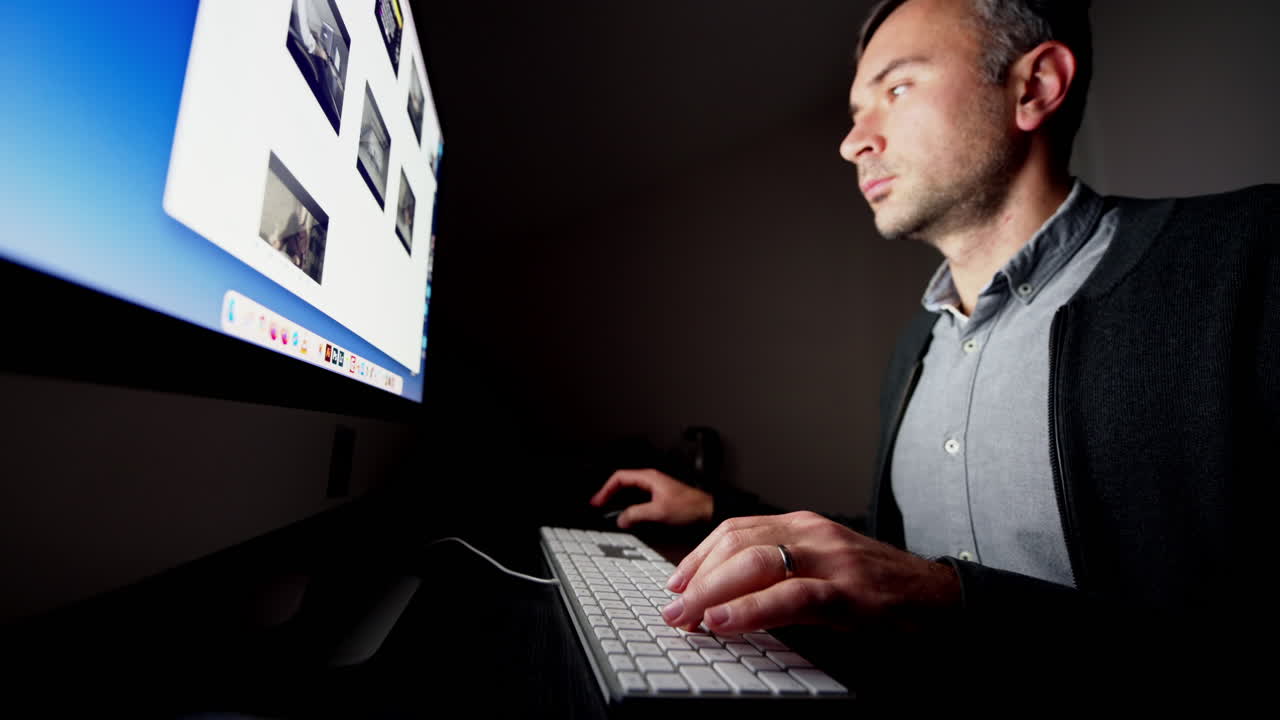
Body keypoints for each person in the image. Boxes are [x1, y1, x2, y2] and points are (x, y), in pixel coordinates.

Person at [590, 0, 1276, 695]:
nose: (852, 141)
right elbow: (893, 558)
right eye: (856, 109)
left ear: (1034, 88)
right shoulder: (918, 348)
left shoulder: (1253, 261)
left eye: (896, 89)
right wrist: (716, 509)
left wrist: (952, 600)